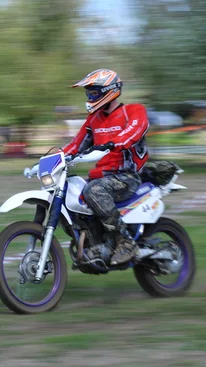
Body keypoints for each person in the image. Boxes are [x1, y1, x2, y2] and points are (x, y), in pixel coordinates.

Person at [61, 68, 150, 266]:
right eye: (89, 93)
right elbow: (75, 145)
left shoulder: (133, 111)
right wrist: (53, 157)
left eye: (93, 92)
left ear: (108, 91)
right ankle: (94, 244)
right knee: (71, 193)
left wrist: (113, 143)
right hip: (101, 177)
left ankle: (125, 242)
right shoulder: (94, 120)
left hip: (127, 176)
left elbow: (135, 130)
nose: (90, 96)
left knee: (93, 190)